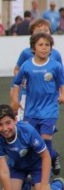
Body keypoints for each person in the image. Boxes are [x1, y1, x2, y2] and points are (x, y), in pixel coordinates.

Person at [11, 33, 64, 177]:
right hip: (30, 111)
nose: (44, 48)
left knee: (45, 141)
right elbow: (16, 83)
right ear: (33, 48)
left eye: (47, 45)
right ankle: (52, 157)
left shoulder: (56, 66)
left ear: (51, 48)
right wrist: (15, 100)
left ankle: (43, 174)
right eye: (41, 45)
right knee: (31, 143)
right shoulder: (26, 66)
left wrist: (62, 94)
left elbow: (61, 83)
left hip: (49, 111)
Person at [0, 104, 64, 190]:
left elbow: (46, 156)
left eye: (8, 123)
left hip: (37, 165)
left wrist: (44, 186)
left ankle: (60, 185)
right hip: (17, 167)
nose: (5, 128)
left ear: (15, 120)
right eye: (0, 124)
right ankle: (26, 186)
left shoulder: (27, 131)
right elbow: (3, 170)